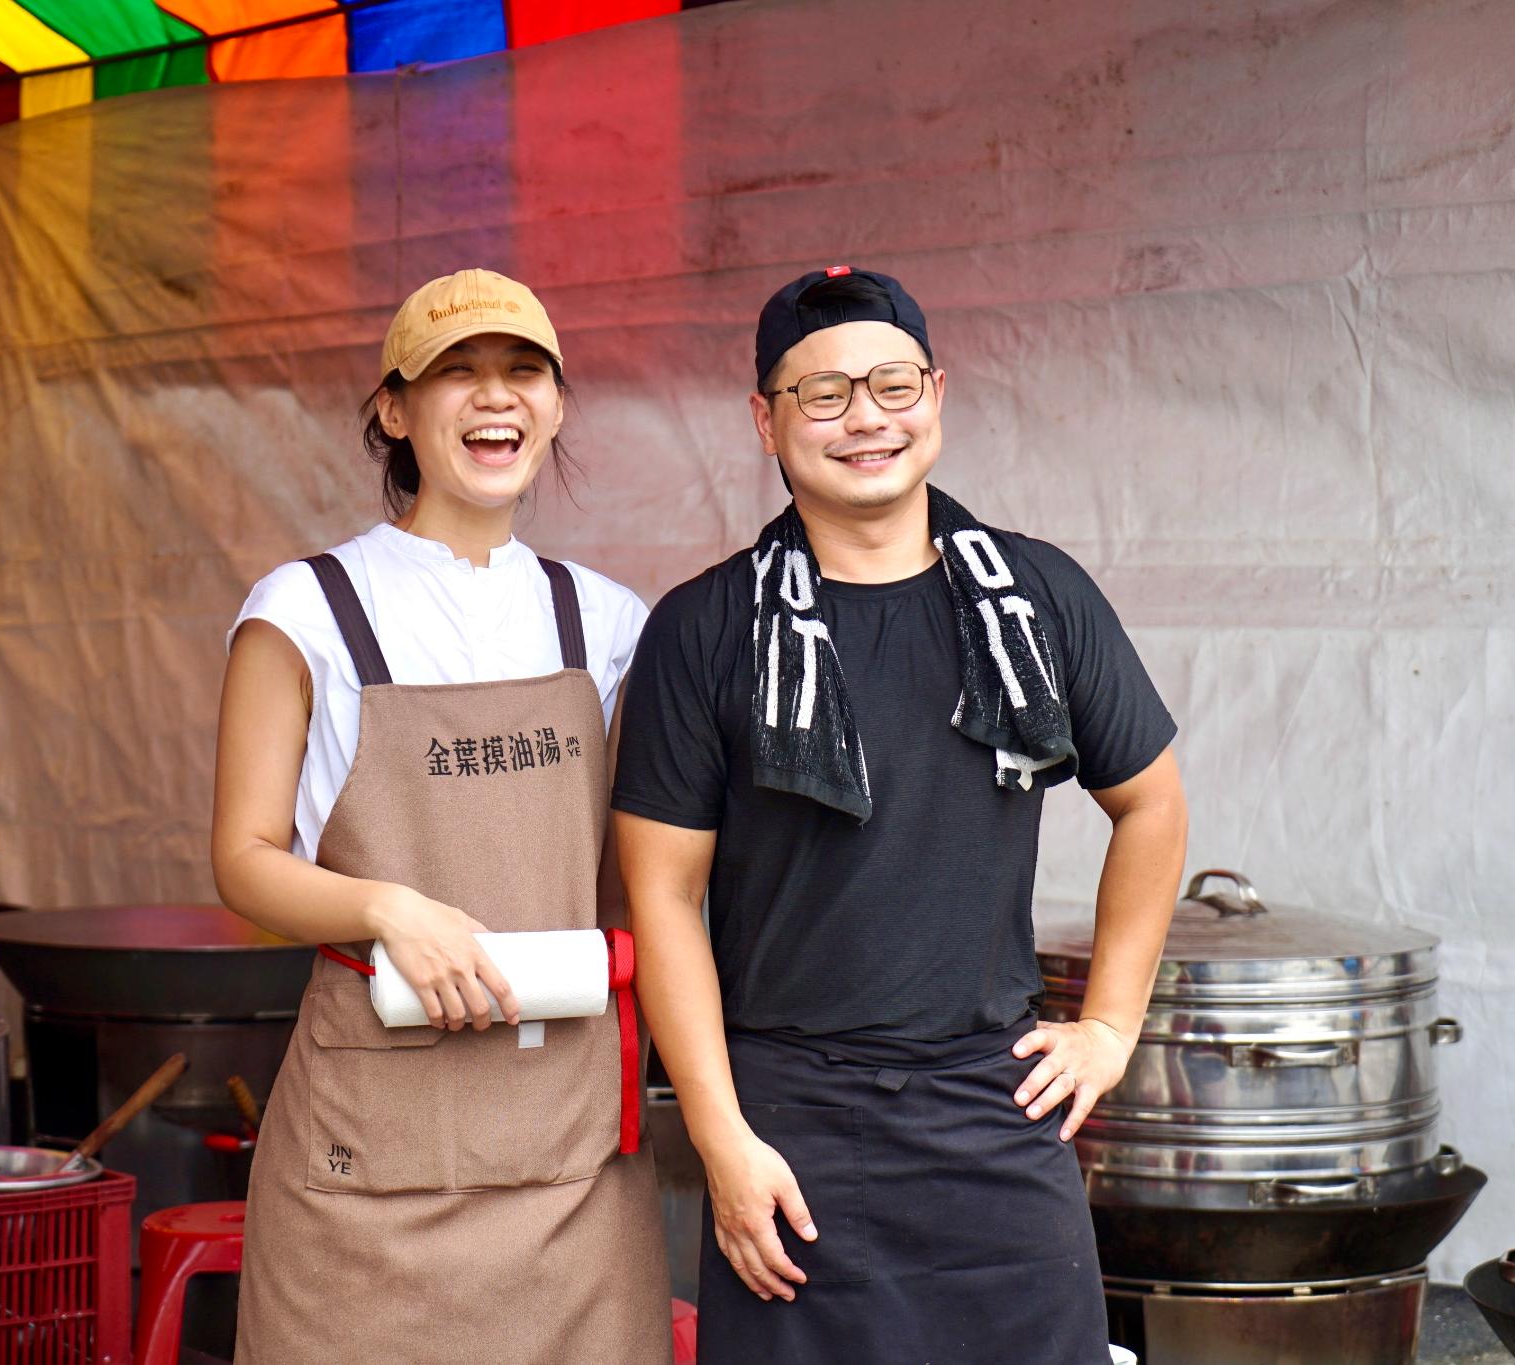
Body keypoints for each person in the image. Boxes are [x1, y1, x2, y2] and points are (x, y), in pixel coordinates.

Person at [612, 266, 1188, 1362]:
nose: (865, 418)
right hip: (789, 1125)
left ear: (937, 393)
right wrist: (720, 1139)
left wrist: (1110, 1028)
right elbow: (663, 898)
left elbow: (1150, 804)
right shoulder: (703, 628)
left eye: (891, 383)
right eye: (822, 394)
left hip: (995, 1106)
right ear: (762, 422)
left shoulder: (1039, 596)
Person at [213, 269, 671, 1363]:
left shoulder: (606, 625)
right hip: (366, 1169)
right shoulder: (305, 609)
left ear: (556, 405)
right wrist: (388, 910)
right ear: (393, 409)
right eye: (454, 375)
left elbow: (658, 881)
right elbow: (241, 858)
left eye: (522, 373)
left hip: (570, 1164)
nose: (492, 398)